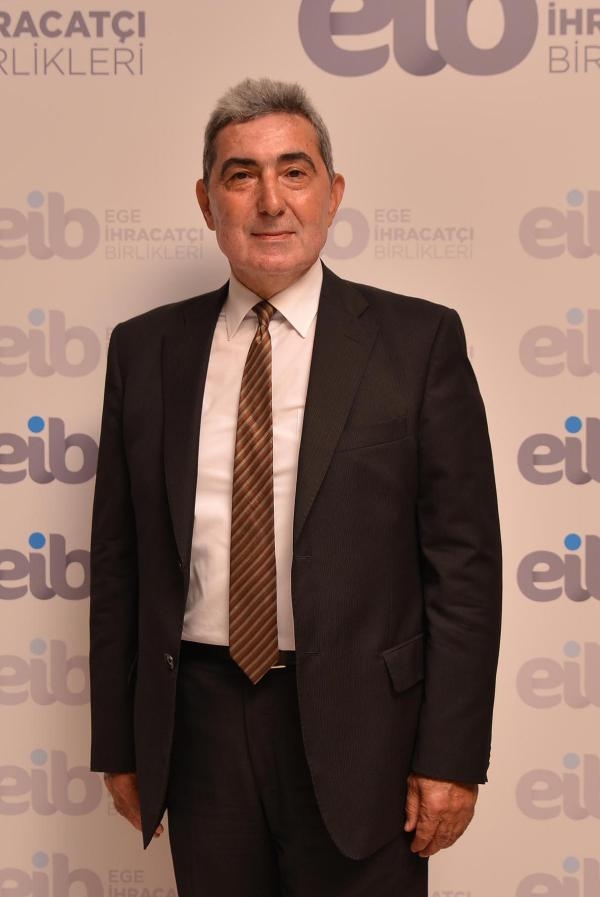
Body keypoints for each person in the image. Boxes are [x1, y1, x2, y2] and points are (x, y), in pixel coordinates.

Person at [89, 77, 502, 897]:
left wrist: (451, 755)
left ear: (333, 193)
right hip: (199, 725)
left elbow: (464, 566)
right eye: (241, 175)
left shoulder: (419, 342)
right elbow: (118, 562)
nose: (270, 200)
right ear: (207, 202)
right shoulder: (145, 351)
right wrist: (121, 743)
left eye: (294, 171)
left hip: (366, 730)